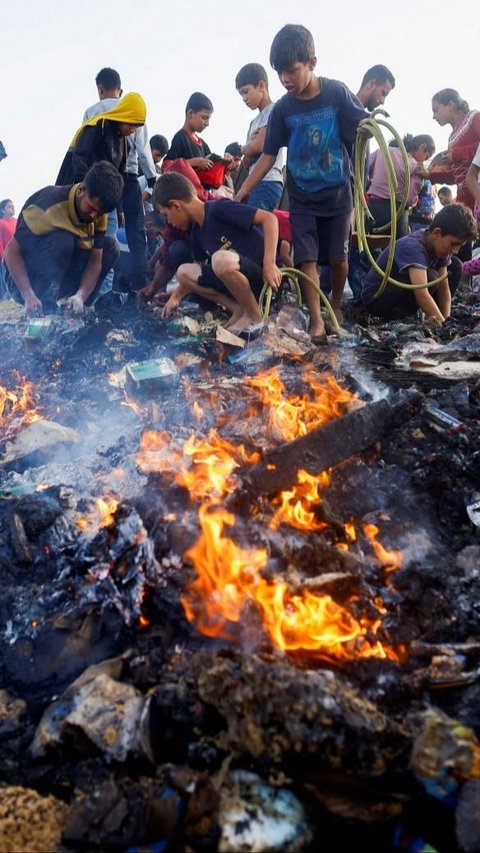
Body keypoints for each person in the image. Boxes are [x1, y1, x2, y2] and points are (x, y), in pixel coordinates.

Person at [235, 24, 368, 340]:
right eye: (280, 73)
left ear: (312, 62)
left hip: (337, 195)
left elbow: (362, 130)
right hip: (302, 196)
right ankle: (316, 318)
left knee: (338, 260)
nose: (285, 80)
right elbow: (267, 157)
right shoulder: (283, 109)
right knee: (306, 257)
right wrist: (243, 190)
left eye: (291, 71)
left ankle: (334, 304)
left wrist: (365, 136)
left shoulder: (336, 94)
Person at [152, 172, 282, 335]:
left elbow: (269, 219)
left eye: (166, 215)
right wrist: (176, 296)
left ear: (176, 205)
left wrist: (270, 264)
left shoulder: (219, 208)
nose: (169, 222)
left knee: (220, 259)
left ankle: (253, 316)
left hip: (266, 279)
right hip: (239, 287)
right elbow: (197, 274)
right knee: (183, 272)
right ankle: (238, 309)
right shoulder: (196, 234)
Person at [3, 161, 123, 317]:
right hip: (23, 282)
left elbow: (95, 261)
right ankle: (44, 307)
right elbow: (11, 252)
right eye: (91, 208)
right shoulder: (46, 204)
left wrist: (81, 296)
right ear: (81, 190)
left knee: (111, 247)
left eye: (99, 213)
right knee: (63, 240)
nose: (94, 216)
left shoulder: (99, 213)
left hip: (63, 280)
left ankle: (77, 308)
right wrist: (28, 295)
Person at [80, 69, 158, 292]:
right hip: (130, 176)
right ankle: (139, 281)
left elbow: (85, 146)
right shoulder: (132, 110)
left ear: (100, 89)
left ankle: (107, 283)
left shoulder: (92, 111)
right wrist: (151, 179)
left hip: (103, 177)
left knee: (106, 229)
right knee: (136, 229)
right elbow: (143, 150)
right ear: (120, 90)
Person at [360, 203, 477, 322]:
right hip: (377, 299)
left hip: (401, 291)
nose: (456, 250)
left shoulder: (437, 243)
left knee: (456, 265)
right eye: (453, 243)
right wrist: (443, 327)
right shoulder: (414, 246)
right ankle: (401, 317)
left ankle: (433, 316)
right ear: (437, 233)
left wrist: (446, 320)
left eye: (459, 246)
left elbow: (443, 288)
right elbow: (422, 294)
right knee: (431, 277)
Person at [235, 63, 284, 211]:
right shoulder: (253, 123)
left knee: (255, 229)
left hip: (268, 181)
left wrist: (241, 148)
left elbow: (258, 146)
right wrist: (249, 148)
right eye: (241, 94)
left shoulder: (273, 111)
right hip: (254, 182)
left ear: (261, 85)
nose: (244, 98)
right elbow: (246, 161)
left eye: (246, 91)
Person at [366, 134, 436, 237]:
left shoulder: (382, 151)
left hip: (374, 207)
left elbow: (365, 167)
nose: (423, 161)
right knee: (396, 248)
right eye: (426, 157)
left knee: (370, 242)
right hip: (398, 212)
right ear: (422, 147)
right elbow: (409, 199)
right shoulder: (417, 167)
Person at [429, 89, 480, 211]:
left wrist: (457, 154)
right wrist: (430, 175)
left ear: (451, 105)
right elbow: (455, 176)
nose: (434, 116)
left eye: (436, 110)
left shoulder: (474, 118)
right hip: (465, 203)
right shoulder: (451, 139)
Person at [0, 199, 16, 298]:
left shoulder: (17, 221)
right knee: (6, 277)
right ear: (2, 210)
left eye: (13, 206)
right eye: (9, 206)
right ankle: (6, 297)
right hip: (6, 256)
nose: (13, 208)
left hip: (18, 254)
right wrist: (3, 256)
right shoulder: (1, 223)